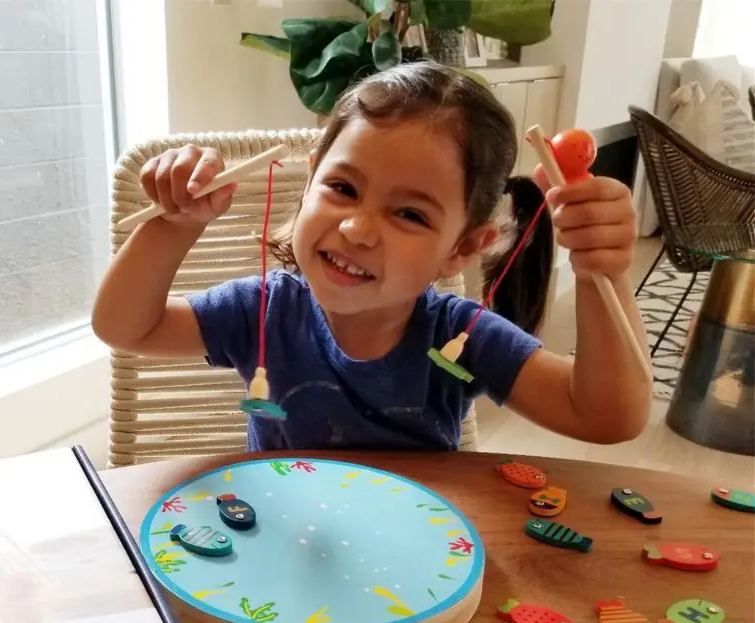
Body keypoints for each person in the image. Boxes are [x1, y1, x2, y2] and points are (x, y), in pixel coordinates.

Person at [92, 61, 651, 452]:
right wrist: (173, 224)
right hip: (280, 547)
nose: (357, 229)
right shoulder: (262, 311)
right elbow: (124, 327)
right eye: (343, 188)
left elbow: (607, 417)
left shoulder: (461, 338)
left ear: (462, 248)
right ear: (311, 176)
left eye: (409, 214)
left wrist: (602, 270)